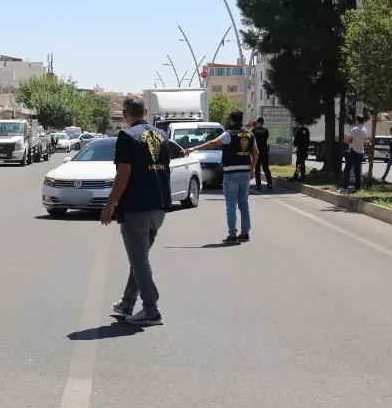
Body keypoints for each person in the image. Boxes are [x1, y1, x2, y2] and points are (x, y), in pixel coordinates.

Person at [99, 94, 176, 326]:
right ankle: (127, 303)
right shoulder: (160, 134)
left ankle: (151, 310)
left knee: (139, 260)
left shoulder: (127, 136)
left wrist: (110, 204)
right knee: (139, 259)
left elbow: (123, 174)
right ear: (145, 113)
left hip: (136, 207)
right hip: (159, 206)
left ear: (124, 115)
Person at [186, 109, 258, 243]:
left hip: (231, 173)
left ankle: (232, 234)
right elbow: (256, 153)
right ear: (241, 119)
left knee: (231, 204)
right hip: (245, 172)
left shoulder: (229, 134)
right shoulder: (250, 134)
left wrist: (193, 149)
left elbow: (212, 143)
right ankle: (245, 232)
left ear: (231, 119)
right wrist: (252, 169)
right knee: (244, 203)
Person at [341, 114, 368, 193]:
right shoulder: (365, 130)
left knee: (347, 170)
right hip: (361, 152)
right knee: (357, 170)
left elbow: (347, 140)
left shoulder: (355, 129)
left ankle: (344, 187)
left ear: (357, 120)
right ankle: (357, 187)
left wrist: (348, 140)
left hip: (354, 152)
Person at [251, 117, 272, 191]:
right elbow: (266, 138)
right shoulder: (266, 131)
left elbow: (252, 141)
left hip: (256, 152)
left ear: (258, 123)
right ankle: (270, 184)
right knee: (266, 168)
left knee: (257, 169)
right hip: (264, 151)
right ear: (262, 123)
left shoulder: (253, 131)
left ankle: (258, 185)